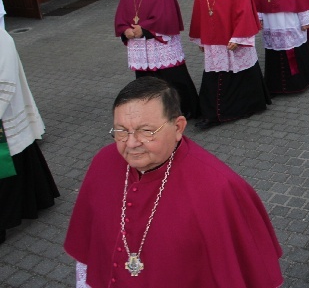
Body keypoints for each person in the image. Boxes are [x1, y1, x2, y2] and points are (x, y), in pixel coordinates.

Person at [64, 77, 283, 287]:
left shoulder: (220, 187)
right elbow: (89, 246)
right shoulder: (104, 162)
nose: (131, 143)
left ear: (178, 127)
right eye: (121, 131)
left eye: (146, 131)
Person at [189, 0, 270, 130]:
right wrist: (203, 40)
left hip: (233, 40)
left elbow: (245, 13)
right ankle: (213, 113)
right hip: (214, 42)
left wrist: (238, 37)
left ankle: (244, 107)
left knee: (240, 74)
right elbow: (200, 13)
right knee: (214, 76)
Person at [114, 0, 200, 119]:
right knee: (145, 83)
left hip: (161, 45)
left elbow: (167, 18)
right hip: (141, 48)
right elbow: (121, 18)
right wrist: (125, 30)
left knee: (175, 80)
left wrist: (144, 29)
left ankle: (188, 110)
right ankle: (153, 113)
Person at [0, 28, 59, 245]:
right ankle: (41, 197)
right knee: (21, 158)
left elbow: (5, 79)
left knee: (7, 165)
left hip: (5, 115)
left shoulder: (1, 38)